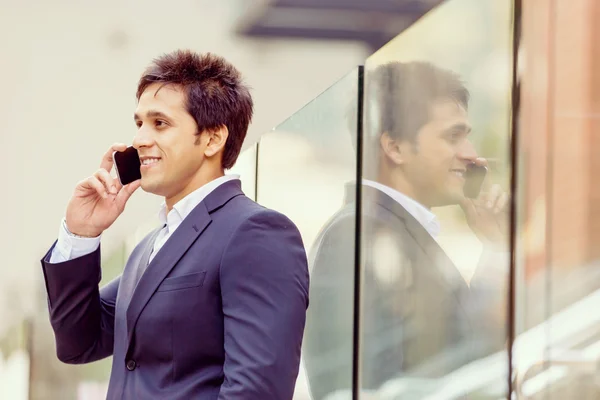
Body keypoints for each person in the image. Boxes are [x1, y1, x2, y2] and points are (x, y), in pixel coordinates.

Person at [40, 50, 309, 400]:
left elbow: (256, 392)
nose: (139, 139)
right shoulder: (149, 248)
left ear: (212, 139)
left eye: (160, 123)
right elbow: (78, 342)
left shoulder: (256, 233)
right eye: (139, 123)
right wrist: (80, 235)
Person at [303, 61, 509, 399]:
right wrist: (499, 255)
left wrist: (494, 245)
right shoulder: (356, 235)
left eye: (466, 137)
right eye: (453, 136)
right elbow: (371, 384)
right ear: (395, 147)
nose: (472, 155)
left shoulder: (385, 227)